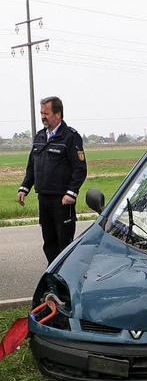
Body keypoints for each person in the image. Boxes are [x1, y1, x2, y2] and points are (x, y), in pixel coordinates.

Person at [17, 96, 87, 264]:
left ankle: (65, 277)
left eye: (46, 113)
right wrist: (24, 188)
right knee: (49, 243)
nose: (43, 117)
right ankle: (52, 276)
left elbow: (80, 169)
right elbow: (32, 167)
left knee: (64, 242)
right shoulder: (40, 137)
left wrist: (71, 193)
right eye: (41, 113)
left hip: (62, 200)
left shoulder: (70, 137)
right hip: (44, 198)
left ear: (58, 114)